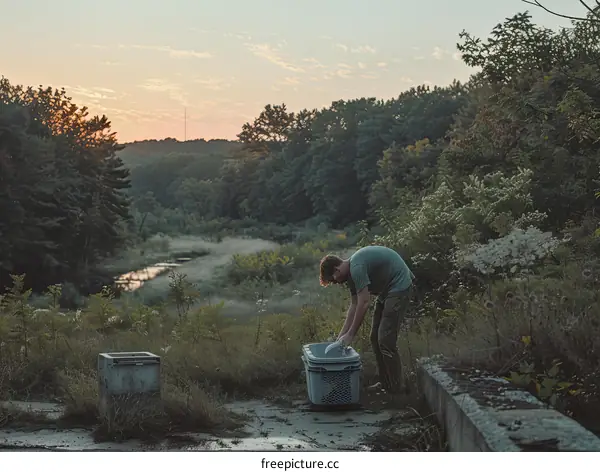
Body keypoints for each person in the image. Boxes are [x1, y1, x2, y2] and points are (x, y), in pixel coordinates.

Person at [319, 245, 415, 394]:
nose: (335, 282)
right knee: (374, 338)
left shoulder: (356, 267)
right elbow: (354, 305)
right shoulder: (350, 275)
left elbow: (364, 304)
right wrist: (340, 340)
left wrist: (351, 334)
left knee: (385, 340)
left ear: (337, 270)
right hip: (386, 291)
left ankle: (397, 390)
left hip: (399, 285)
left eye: (333, 280)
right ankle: (386, 384)